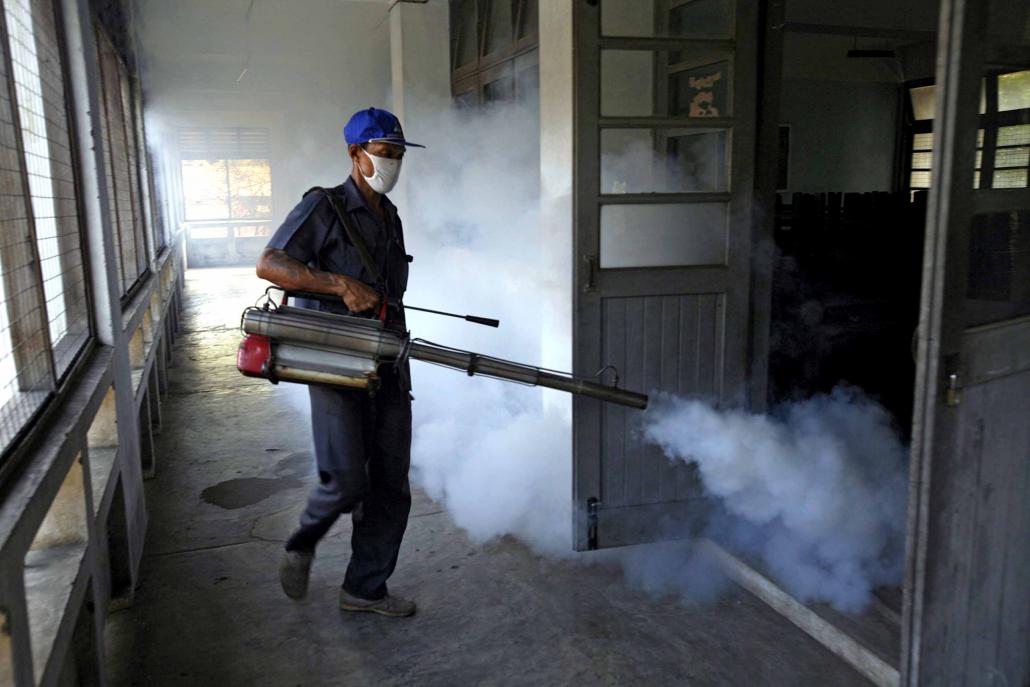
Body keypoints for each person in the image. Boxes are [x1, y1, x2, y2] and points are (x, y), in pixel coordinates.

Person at [255, 107, 422, 617]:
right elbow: (271, 264)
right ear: (356, 153)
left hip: (387, 361)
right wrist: (336, 283)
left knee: (390, 484)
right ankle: (303, 542)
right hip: (333, 362)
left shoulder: (388, 216)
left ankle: (365, 588)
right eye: (384, 153)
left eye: (398, 154)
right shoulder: (323, 207)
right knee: (348, 477)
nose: (392, 163)